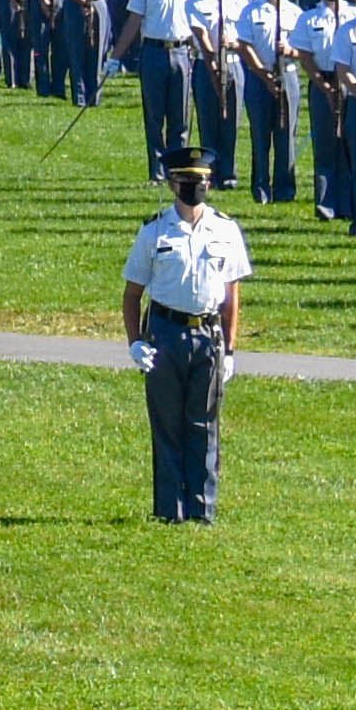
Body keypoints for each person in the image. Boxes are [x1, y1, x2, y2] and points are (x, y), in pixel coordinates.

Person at [121, 154, 248, 526]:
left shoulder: (225, 230)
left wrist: (230, 348)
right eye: (188, 183)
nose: (196, 190)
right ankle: (168, 509)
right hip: (165, 332)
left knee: (203, 423)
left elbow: (232, 295)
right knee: (167, 423)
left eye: (202, 183)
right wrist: (135, 341)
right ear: (174, 185)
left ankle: (201, 508)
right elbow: (132, 295)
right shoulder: (154, 232)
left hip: (207, 335)